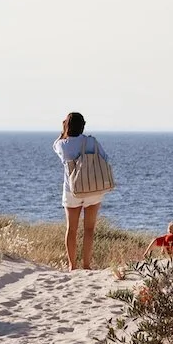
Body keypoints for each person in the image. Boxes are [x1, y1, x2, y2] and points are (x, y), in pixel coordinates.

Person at [53, 112, 112, 270]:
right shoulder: (92, 141)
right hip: (93, 189)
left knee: (71, 229)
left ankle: (72, 265)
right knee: (89, 229)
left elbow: (56, 146)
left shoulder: (62, 144)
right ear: (83, 126)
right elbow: (105, 158)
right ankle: (86, 265)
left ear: (67, 125)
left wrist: (63, 131)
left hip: (73, 191)